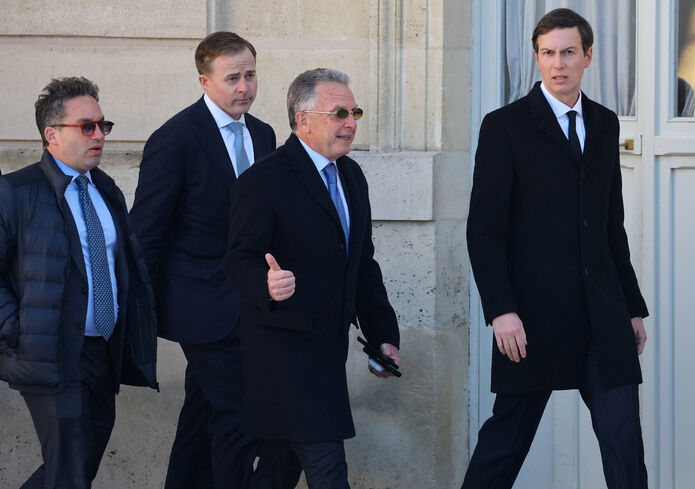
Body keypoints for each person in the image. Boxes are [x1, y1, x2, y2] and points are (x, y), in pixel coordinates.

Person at [463, 8, 649, 489]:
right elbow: (483, 231)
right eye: (547, 53)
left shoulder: (605, 123)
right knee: (506, 440)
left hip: (602, 313)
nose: (558, 64)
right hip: (532, 317)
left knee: (624, 442)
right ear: (537, 58)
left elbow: (611, 225)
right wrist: (501, 310)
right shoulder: (504, 126)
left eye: (568, 52)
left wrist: (631, 306)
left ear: (588, 56)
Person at [224, 68, 400, 489]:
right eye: (339, 113)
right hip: (283, 354)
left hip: (327, 350)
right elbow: (238, 260)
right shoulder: (264, 179)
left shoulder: (351, 176)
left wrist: (383, 335)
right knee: (327, 468)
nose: (351, 122)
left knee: (278, 470)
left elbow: (362, 264)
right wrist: (266, 285)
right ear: (303, 120)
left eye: (354, 112)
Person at [129, 32, 276, 489]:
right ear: (204, 81)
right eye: (232, 78)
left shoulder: (264, 134)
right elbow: (145, 231)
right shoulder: (174, 139)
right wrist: (136, 310)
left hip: (250, 303)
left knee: (203, 414)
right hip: (199, 307)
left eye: (250, 75)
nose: (244, 87)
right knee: (244, 413)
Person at [0, 76, 158, 488]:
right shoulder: (16, 192)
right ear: (51, 134)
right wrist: (17, 328)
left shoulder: (106, 190)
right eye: (86, 126)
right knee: (70, 470)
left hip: (102, 351)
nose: (99, 135)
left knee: (77, 466)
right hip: (50, 352)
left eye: (103, 125)